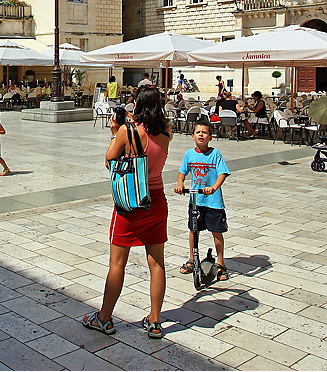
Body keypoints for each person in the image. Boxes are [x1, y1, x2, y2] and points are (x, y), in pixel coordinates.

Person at [81, 86, 172, 340]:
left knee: (117, 263)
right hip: (156, 200)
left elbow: (109, 161)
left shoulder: (126, 131)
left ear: (137, 105)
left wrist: (115, 133)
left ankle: (104, 318)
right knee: (157, 263)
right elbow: (150, 138)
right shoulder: (166, 130)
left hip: (130, 203)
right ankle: (155, 321)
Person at [175, 119, 231, 282]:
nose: (201, 135)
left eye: (204, 132)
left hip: (213, 202)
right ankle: (192, 259)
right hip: (196, 201)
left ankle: (220, 263)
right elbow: (182, 172)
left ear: (210, 137)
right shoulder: (189, 154)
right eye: (198, 132)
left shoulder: (215, 154)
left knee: (217, 231)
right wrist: (180, 184)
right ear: (193, 136)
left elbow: (222, 173)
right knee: (194, 230)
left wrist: (213, 187)